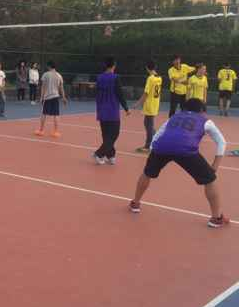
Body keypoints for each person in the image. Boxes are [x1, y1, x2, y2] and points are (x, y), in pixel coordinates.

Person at [129, 98, 230, 228]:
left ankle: (135, 203)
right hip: (186, 149)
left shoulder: (174, 117)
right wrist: (215, 166)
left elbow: (158, 134)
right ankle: (216, 218)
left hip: (161, 147)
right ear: (201, 110)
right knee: (210, 180)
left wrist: (154, 153)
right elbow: (222, 142)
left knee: (147, 173)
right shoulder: (206, 121)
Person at [93, 57, 130, 164]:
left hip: (102, 110)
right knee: (114, 134)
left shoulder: (99, 78)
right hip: (112, 110)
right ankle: (99, 154)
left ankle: (110, 155)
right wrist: (126, 108)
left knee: (106, 135)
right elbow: (120, 94)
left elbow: (96, 94)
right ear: (114, 65)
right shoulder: (115, 78)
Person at [132, 60, 162, 153]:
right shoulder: (159, 78)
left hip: (150, 104)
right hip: (155, 103)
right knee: (148, 123)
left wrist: (138, 103)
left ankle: (148, 146)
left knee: (149, 125)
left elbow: (146, 93)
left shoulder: (150, 79)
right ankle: (156, 139)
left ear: (147, 68)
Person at [35, 61, 67, 138]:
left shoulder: (46, 74)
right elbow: (61, 88)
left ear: (49, 66)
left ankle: (41, 130)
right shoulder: (59, 75)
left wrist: (41, 97)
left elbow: (43, 87)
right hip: (56, 97)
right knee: (56, 114)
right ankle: (56, 132)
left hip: (47, 97)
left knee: (44, 113)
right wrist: (63, 97)